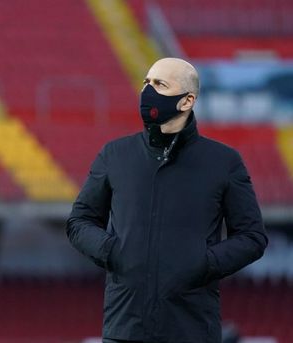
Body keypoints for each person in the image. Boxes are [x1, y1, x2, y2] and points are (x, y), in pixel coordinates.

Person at [66, 58, 268, 343]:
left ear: (187, 101)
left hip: (192, 328)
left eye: (160, 84)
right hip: (125, 328)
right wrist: (113, 251)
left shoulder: (224, 162)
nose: (148, 91)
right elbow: (79, 221)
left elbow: (252, 237)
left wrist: (204, 262)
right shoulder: (114, 155)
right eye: (146, 82)